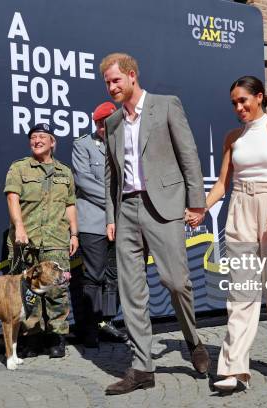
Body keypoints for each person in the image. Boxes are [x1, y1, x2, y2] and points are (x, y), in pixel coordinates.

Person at [100, 53, 210, 395]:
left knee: (176, 282)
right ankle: (142, 368)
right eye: (107, 82)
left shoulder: (165, 106)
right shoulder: (113, 123)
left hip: (164, 207)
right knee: (132, 293)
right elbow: (110, 176)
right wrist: (111, 217)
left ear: (132, 76)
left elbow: (189, 154)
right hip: (127, 210)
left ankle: (193, 341)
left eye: (116, 80)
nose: (111, 87)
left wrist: (197, 202)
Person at [194, 76, 267, 391]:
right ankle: (234, 369)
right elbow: (221, 184)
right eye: (234, 103)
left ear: (260, 97)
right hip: (241, 208)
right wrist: (201, 208)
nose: (238, 107)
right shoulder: (233, 137)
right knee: (240, 292)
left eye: (243, 100)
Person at [4, 123, 79, 359]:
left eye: (42, 137)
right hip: (26, 240)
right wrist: (19, 227)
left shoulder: (64, 172)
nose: (37, 140)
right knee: (27, 292)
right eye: (33, 137)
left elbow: (70, 205)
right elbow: (12, 198)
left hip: (56, 239)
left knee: (57, 291)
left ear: (53, 142)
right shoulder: (19, 168)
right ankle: (31, 337)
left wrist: (74, 233)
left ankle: (56, 337)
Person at [72, 101, 129, 347]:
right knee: (93, 276)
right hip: (93, 222)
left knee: (114, 276)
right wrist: (115, 202)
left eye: (107, 124)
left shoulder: (126, 145)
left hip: (120, 222)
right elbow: (84, 182)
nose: (102, 128)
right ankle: (89, 328)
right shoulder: (83, 144)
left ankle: (107, 322)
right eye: (98, 124)